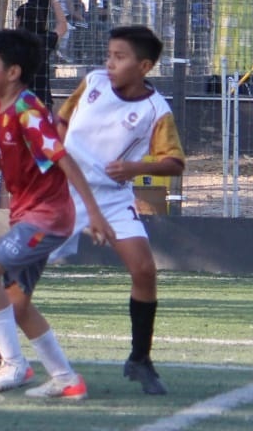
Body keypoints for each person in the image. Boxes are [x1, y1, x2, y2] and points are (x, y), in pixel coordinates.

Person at [0, 28, 115, 399]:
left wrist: (93, 213)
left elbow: (63, 159)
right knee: (18, 303)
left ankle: (12, 363)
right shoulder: (4, 112)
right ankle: (66, 379)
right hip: (30, 217)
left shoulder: (28, 111)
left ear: (13, 72)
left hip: (47, 218)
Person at [58, 25, 185, 393]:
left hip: (112, 197)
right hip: (64, 190)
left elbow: (175, 162)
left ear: (144, 66)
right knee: (25, 269)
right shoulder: (93, 82)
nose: (110, 63)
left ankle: (140, 359)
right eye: (109, 55)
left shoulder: (155, 111)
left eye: (120, 57)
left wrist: (134, 168)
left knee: (144, 269)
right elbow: (61, 122)